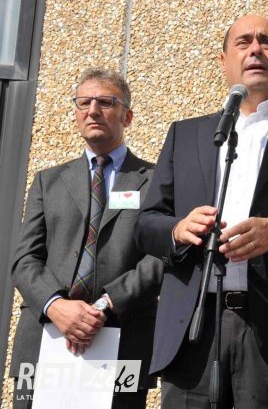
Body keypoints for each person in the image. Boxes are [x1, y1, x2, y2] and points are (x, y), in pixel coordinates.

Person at [135, 13, 268, 408]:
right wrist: (178, 230)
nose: (255, 49)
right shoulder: (185, 134)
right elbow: (146, 224)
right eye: (243, 42)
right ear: (224, 62)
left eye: (266, 42)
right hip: (192, 327)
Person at [10, 67, 163, 408]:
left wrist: (106, 305)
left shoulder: (155, 181)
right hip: (45, 338)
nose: (93, 110)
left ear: (128, 116)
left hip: (124, 340)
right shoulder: (47, 181)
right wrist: (56, 306)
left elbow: (161, 257)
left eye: (105, 102)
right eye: (84, 102)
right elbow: (24, 260)